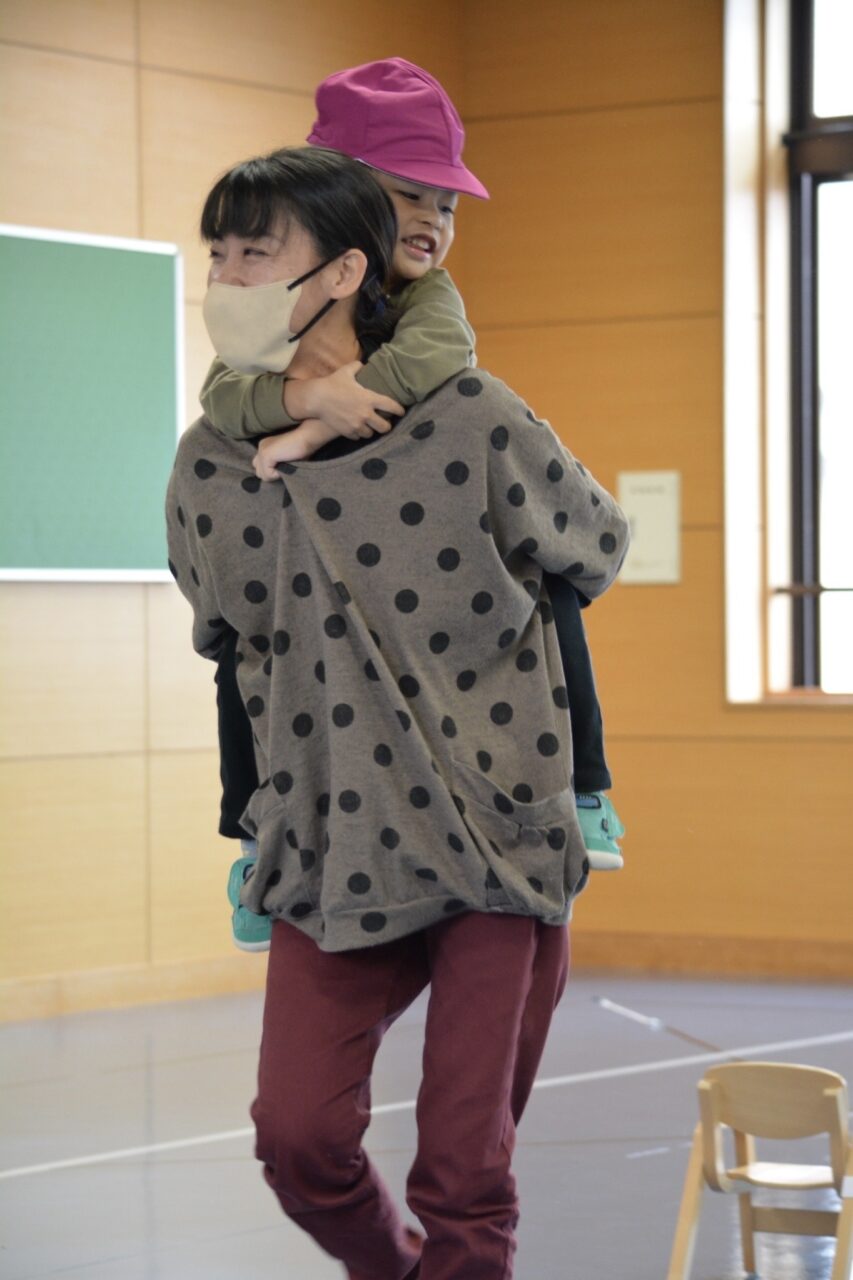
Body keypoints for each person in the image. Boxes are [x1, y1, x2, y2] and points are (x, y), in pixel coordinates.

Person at [167, 143, 629, 1280]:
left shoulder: (472, 416)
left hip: (495, 837)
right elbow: (226, 650)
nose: (225, 276)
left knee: (467, 1172)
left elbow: (595, 544)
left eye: (254, 252)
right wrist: (246, 823)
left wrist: (577, 779)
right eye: (217, 253)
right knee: (297, 1137)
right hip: (328, 846)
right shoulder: (207, 465)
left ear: (339, 271)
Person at [200, 58, 624, 952]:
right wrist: (306, 398)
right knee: (242, 645)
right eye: (409, 196)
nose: (433, 220)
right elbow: (223, 396)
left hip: (442, 553)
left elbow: (440, 360)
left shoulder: (429, 302)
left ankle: (585, 785)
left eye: (448, 205)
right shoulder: (277, 318)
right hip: (328, 609)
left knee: (545, 587)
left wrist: (322, 423)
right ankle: (250, 837)